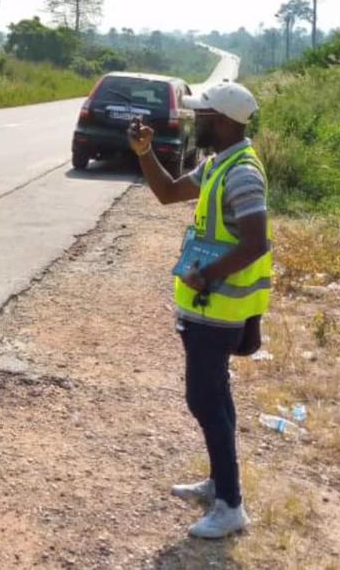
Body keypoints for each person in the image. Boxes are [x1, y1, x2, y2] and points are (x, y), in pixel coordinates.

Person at [128, 81, 272, 539]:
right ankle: (220, 484)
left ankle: (231, 506)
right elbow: (168, 193)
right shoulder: (217, 165)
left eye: (201, 115)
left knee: (204, 399)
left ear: (225, 121)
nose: (194, 120)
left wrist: (206, 276)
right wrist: (143, 151)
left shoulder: (242, 173)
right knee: (215, 398)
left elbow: (255, 241)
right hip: (205, 308)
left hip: (218, 308)